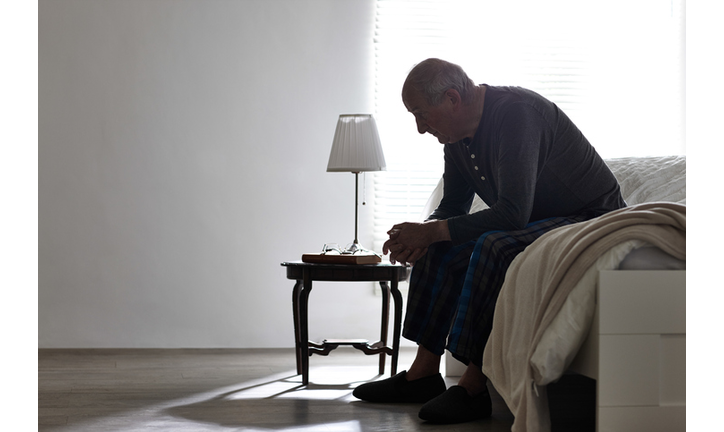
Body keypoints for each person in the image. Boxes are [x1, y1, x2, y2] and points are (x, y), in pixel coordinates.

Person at [352, 58, 626, 424]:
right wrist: (424, 236)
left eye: (421, 114)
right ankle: (422, 373)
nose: (420, 128)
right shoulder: (455, 138)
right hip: (539, 220)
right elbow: (452, 206)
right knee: (442, 245)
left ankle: (474, 386)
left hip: (591, 218)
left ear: (452, 98)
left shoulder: (518, 115)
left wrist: (432, 230)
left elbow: (512, 213)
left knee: (494, 246)